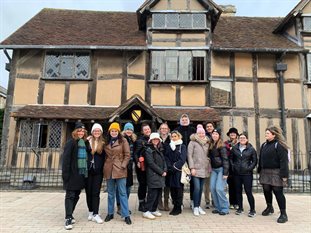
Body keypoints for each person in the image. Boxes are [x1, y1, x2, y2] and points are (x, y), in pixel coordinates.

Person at [258, 125, 290, 223]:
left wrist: (284, 176)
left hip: (276, 172)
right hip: (265, 172)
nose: (265, 135)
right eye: (266, 133)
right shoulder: (264, 145)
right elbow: (261, 158)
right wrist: (260, 170)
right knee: (266, 190)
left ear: (274, 134)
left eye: (267, 133)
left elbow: (283, 161)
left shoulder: (280, 145)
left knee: (277, 191)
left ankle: (283, 214)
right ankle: (269, 207)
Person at [103, 122, 132, 225]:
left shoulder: (123, 140)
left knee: (122, 193)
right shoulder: (105, 141)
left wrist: (123, 165)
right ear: (109, 131)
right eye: (112, 131)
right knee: (110, 193)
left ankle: (126, 215)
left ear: (118, 131)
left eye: (115, 131)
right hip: (109, 169)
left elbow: (127, 155)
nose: (114, 132)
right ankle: (110, 213)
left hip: (120, 169)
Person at [62, 122, 89, 230]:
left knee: (77, 195)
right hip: (72, 174)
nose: (81, 132)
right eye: (79, 130)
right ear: (75, 132)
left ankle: (71, 214)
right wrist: (65, 175)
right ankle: (68, 217)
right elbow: (66, 160)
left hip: (81, 174)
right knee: (70, 195)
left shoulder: (84, 143)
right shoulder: (71, 143)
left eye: (83, 131)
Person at [230, 132, 257, 217]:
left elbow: (255, 161)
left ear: (247, 139)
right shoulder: (234, 148)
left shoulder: (251, 149)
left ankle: (252, 210)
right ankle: (240, 208)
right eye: (240, 138)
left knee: (248, 192)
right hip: (237, 174)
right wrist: (233, 167)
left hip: (247, 174)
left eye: (244, 138)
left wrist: (249, 168)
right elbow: (231, 159)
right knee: (238, 191)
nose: (242, 139)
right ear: (238, 139)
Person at [187, 125, 211, 216]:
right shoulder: (192, 142)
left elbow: (208, 155)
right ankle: (195, 207)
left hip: (204, 169)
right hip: (195, 169)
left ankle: (198, 205)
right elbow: (189, 155)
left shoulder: (207, 143)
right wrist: (192, 167)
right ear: (197, 133)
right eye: (200, 133)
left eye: (203, 133)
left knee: (201, 189)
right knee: (196, 188)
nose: (201, 134)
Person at [143, 133, 167, 220]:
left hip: (160, 174)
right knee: (152, 194)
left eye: (157, 139)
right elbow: (151, 163)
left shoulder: (159, 148)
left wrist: (165, 169)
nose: (156, 141)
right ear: (151, 140)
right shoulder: (148, 149)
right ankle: (147, 211)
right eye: (154, 139)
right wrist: (161, 172)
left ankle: (153, 209)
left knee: (158, 193)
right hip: (153, 174)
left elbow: (164, 160)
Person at [175, 114, 196, 208]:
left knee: (193, 182)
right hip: (181, 158)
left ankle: (192, 200)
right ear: (180, 121)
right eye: (182, 120)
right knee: (181, 181)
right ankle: (180, 202)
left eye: (185, 119)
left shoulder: (193, 130)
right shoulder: (177, 130)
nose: (184, 121)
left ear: (188, 120)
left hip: (192, 158)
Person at [85, 123, 105, 224]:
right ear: (92, 132)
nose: (97, 132)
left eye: (98, 131)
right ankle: (91, 211)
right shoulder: (87, 141)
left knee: (95, 192)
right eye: (95, 131)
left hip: (98, 172)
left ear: (101, 132)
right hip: (88, 171)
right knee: (88, 192)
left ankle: (96, 214)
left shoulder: (103, 143)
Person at [164, 130, 187, 216]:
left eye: (175, 136)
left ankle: (178, 206)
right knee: (172, 189)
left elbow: (182, 158)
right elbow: (166, 157)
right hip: (171, 171)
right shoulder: (169, 146)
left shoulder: (182, 146)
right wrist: (169, 166)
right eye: (172, 137)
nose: (173, 138)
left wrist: (175, 167)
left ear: (179, 137)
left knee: (179, 189)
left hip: (178, 171)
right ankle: (174, 205)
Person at [116, 122, 137, 215]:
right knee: (120, 188)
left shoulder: (133, 140)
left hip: (129, 166)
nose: (129, 131)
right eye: (127, 129)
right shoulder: (120, 139)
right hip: (121, 166)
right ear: (124, 130)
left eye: (131, 129)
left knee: (128, 187)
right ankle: (120, 206)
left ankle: (124, 205)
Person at [209, 128, 230, 216]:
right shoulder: (211, 144)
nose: (214, 135)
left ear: (219, 136)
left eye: (216, 134)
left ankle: (225, 208)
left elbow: (225, 160)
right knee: (213, 188)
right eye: (213, 134)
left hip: (221, 169)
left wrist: (225, 173)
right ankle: (218, 207)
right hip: (214, 169)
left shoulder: (222, 146)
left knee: (219, 188)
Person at [134, 123, 151, 212]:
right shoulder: (139, 141)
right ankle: (141, 203)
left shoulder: (152, 139)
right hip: (142, 166)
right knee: (143, 185)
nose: (147, 131)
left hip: (150, 166)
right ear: (142, 131)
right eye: (145, 130)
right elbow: (136, 153)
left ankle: (148, 202)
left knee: (149, 185)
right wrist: (137, 162)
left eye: (148, 129)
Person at [224, 127, 239, 210]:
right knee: (231, 186)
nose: (232, 134)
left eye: (234, 133)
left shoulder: (240, 143)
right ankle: (232, 202)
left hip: (238, 166)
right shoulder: (226, 143)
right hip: (229, 167)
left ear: (236, 135)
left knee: (237, 185)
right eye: (231, 133)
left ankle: (237, 202)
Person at [158, 123, 171, 211]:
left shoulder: (171, 139)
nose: (164, 130)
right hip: (159, 164)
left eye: (165, 128)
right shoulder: (156, 139)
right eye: (162, 128)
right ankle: (159, 202)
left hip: (168, 164)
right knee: (159, 184)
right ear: (160, 130)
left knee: (167, 184)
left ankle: (166, 201)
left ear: (168, 130)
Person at [204, 122, 215, 209]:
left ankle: (214, 200)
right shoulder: (204, 137)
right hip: (207, 163)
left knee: (214, 184)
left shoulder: (216, 136)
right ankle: (207, 201)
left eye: (210, 126)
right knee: (207, 184)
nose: (209, 128)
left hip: (215, 164)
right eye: (207, 127)